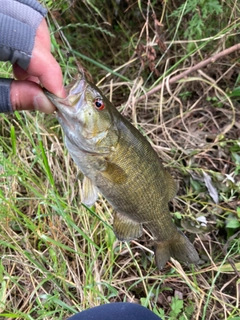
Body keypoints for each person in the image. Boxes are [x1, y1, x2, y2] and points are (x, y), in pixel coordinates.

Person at [0, 1, 162, 319]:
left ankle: (166, 235)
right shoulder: (96, 146)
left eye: (97, 104)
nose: (91, 100)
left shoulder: (104, 150)